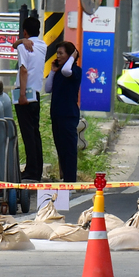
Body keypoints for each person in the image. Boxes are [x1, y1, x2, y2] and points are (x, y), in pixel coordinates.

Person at [14, 16, 46, 181]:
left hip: (25, 94)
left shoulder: (23, 48)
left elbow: (23, 70)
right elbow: (16, 44)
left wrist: (22, 95)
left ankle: (31, 170)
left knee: (27, 134)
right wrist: (22, 40)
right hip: (36, 94)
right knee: (35, 133)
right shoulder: (43, 46)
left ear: (25, 31)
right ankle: (37, 169)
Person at [46, 40, 81, 183]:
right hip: (56, 115)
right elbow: (48, 88)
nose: (58, 56)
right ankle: (65, 178)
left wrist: (73, 56)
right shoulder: (59, 72)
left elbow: (67, 71)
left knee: (69, 149)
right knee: (61, 148)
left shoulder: (75, 71)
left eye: (61, 53)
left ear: (70, 55)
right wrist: (52, 71)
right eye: (57, 53)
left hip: (68, 115)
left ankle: (70, 181)